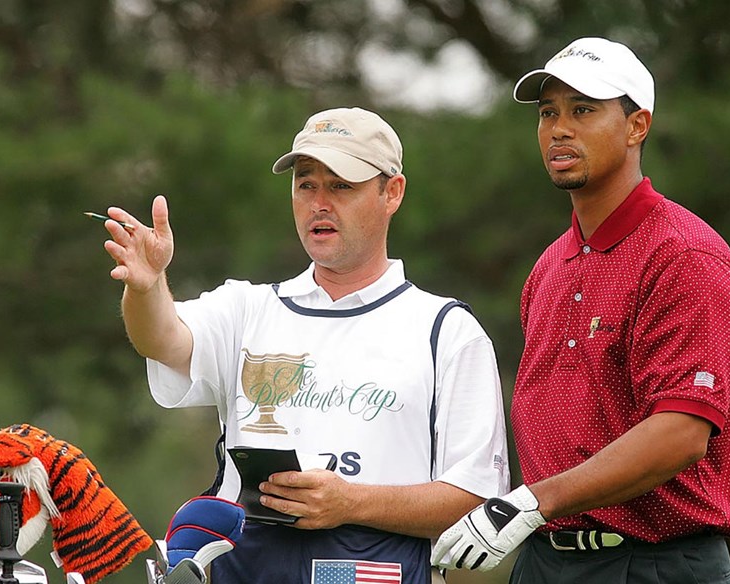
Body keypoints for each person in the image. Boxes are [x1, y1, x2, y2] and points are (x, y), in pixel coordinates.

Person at [100, 106, 510, 583]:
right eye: (306, 184)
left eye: (341, 185)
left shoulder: (447, 329)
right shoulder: (248, 307)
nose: (319, 202)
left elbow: (476, 499)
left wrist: (351, 502)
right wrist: (147, 289)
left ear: (391, 192)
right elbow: (162, 339)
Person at [431, 37, 730, 583]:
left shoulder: (683, 256)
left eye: (583, 110)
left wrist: (532, 501)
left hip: (657, 563)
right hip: (545, 558)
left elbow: (681, 431)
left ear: (636, 126)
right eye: (548, 113)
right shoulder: (550, 266)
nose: (559, 128)